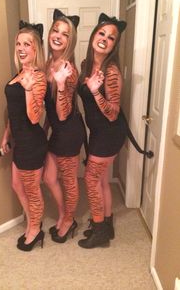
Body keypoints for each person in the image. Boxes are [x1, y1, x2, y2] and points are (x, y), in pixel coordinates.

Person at [77, 13, 128, 249]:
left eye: (111, 38)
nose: (105, 39)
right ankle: (107, 224)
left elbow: (113, 113)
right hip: (98, 132)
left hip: (109, 133)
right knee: (102, 181)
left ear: (114, 45)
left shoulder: (111, 72)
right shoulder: (86, 65)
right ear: (93, 35)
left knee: (90, 179)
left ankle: (99, 232)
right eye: (101, 33)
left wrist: (96, 92)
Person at [0, 20, 47, 251]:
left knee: (32, 189)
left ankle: (36, 230)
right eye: (18, 43)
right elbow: (14, 111)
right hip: (19, 141)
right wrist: (5, 135)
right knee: (17, 185)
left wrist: (28, 90)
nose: (21, 48)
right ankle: (32, 222)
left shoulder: (38, 78)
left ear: (36, 49)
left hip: (32, 143)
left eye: (27, 44)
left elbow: (34, 117)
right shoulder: (19, 74)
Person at [43, 9, 86, 243]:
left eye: (65, 34)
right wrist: (44, 129)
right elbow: (50, 110)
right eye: (55, 30)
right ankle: (64, 214)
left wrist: (60, 84)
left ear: (71, 41)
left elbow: (63, 112)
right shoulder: (48, 62)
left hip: (69, 132)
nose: (58, 36)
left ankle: (69, 220)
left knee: (69, 180)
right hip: (56, 131)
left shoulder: (68, 70)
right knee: (49, 178)